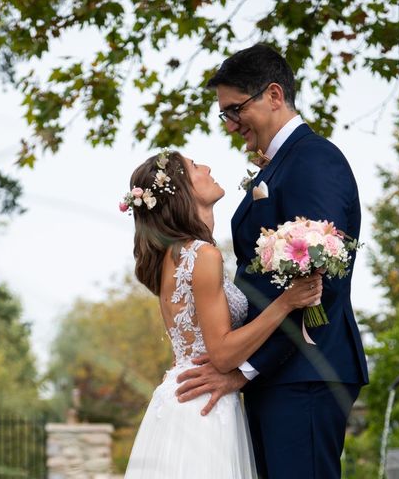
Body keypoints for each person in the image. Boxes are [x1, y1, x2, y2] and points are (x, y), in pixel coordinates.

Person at [175, 43, 369, 479]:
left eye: (235, 109)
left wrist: (244, 370)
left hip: (307, 372)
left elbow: (322, 282)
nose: (230, 124)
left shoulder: (313, 160)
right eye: (224, 114)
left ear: (275, 95)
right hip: (281, 373)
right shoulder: (277, 167)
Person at [121, 150, 322, 478]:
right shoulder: (203, 255)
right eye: (196, 166)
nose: (208, 167)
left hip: (181, 396)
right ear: (182, 189)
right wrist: (286, 302)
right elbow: (224, 354)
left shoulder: (169, 257)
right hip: (204, 405)